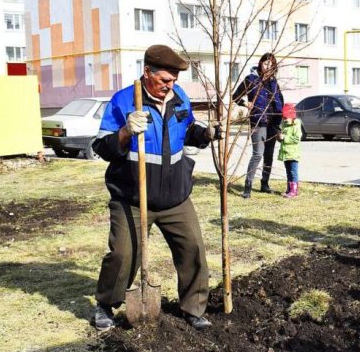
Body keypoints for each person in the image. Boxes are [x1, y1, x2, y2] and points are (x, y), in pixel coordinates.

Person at [90, 44, 219, 331]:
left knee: (193, 249)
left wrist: (206, 134)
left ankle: (193, 307)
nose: (170, 86)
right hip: (133, 198)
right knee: (123, 254)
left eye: (174, 80)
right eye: (164, 80)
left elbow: (188, 132)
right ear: (147, 72)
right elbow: (101, 146)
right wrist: (125, 132)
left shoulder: (179, 97)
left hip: (175, 196)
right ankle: (105, 305)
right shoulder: (124, 101)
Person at [233, 53, 284, 198]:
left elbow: (280, 101)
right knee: (258, 154)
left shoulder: (274, 83)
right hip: (259, 121)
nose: (268, 66)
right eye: (266, 63)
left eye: (271, 64)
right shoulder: (251, 79)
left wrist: (281, 121)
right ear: (261, 63)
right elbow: (235, 96)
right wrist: (245, 103)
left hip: (273, 122)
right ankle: (247, 187)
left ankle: (265, 184)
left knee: (269, 154)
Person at [277, 103, 302, 198]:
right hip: (285, 153)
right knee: (288, 172)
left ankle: (294, 190)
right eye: (283, 118)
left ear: (292, 116)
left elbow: (296, 139)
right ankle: (289, 189)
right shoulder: (284, 125)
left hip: (293, 153)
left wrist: (284, 137)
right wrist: (279, 138)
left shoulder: (296, 125)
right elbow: (282, 139)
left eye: (286, 117)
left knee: (293, 172)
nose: (284, 119)